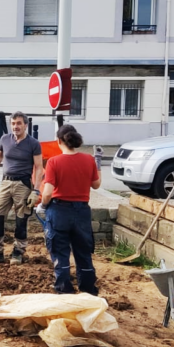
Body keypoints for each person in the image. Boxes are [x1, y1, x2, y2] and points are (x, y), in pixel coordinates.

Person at [39, 125, 100, 295]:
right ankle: (88, 292)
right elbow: (96, 185)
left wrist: (42, 206)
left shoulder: (54, 162)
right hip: (82, 212)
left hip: (59, 212)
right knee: (83, 254)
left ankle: (64, 291)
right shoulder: (89, 159)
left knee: (60, 253)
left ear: (59, 141)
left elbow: (48, 192)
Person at [0, 111, 43, 265]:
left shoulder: (33, 143)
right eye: (13, 123)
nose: (15, 126)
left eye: (19, 123)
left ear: (25, 125)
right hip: (5, 183)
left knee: (21, 219)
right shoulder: (5, 139)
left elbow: (39, 168)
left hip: (23, 184)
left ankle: (18, 251)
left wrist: (36, 191)